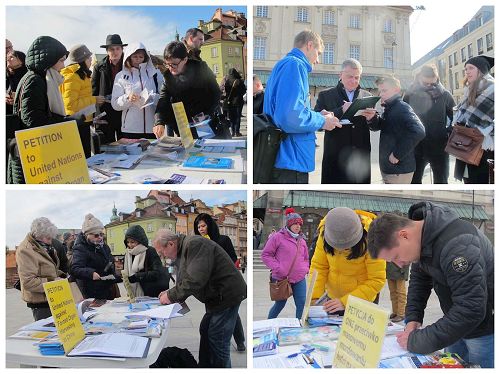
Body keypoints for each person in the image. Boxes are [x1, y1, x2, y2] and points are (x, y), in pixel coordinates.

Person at [367, 202, 494, 368]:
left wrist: (418, 341)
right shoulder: (423, 239)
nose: (399, 265)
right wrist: (413, 316)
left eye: (396, 256)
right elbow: (419, 279)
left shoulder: (458, 246)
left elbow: (472, 308)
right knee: (452, 364)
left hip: (483, 328)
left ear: (404, 235)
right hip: (454, 322)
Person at [154, 229, 246, 368]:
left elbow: (195, 280)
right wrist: (170, 292)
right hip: (216, 296)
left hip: (226, 295)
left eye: (162, 252)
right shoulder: (183, 251)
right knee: (205, 328)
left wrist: (171, 295)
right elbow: (183, 281)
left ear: (171, 244)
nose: (163, 256)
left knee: (218, 338)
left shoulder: (194, 244)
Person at [263, 30, 341, 184]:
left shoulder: (285, 64)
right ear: (309, 45)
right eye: (318, 53)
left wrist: (317, 115)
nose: (317, 60)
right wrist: (322, 120)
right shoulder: (295, 65)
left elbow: (287, 111)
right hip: (291, 160)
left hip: (285, 158)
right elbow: (291, 117)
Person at [7, 36, 69, 184]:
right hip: (29, 158)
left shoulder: (40, 79)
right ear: (49, 60)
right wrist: (66, 123)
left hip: (34, 155)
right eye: (61, 61)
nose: (63, 65)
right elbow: (33, 122)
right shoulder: (36, 81)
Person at [310, 207, 386, 313]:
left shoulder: (372, 240)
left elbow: (377, 279)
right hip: (333, 300)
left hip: (362, 301)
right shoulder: (326, 231)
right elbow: (319, 267)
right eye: (336, 245)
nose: (340, 249)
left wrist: (346, 302)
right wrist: (314, 297)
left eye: (347, 246)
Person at [314, 59, 374, 184]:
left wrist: (372, 118)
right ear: (340, 75)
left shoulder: (367, 95)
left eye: (357, 77)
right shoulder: (325, 95)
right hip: (336, 155)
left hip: (360, 157)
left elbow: (375, 126)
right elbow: (317, 123)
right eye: (349, 77)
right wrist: (341, 110)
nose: (353, 81)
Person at [194, 213, 246, 352]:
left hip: (224, 283)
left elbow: (232, 258)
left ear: (210, 225)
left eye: (203, 225)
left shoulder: (223, 239)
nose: (201, 229)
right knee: (211, 312)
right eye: (198, 227)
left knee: (232, 314)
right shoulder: (198, 243)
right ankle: (214, 340)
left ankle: (240, 341)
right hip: (209, 285)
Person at [364, 76, 425, 184]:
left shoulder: (401, 107)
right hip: (392, 169)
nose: (381, 94)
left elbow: (419, 131)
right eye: (380, 91)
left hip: (399, 170)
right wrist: (372, 118)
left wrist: (397, 154)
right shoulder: (390, 107)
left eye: (384, 90)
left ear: (396, 90)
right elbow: (382, 126)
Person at [153, 41, 220, 138]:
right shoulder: (168, 76)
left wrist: (207, 113)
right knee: (189, 151)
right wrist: (159, 122)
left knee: (208, 148)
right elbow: (163, 99)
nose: (171, 68)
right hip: (184, 125)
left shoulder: (201, 68)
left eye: (174, 64)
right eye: (167, 64)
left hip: (205, 121)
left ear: (185, 59)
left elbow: (216, 93)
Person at [403, 65, 455, 184]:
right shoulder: (410, 94)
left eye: (433, 83)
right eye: (426, 83)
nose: (430, 86)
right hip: (416, 146)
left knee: (441, 181)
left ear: (437, 78)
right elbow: (402, 116)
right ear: (420, 77)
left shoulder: (445, 94)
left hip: (439, 146)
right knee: (414, 181)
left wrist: (448, 133)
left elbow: (456, 117)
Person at [452, 56, 494, 184]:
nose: (467, 72)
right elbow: (461, 113)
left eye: (471, 68)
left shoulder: (494, 89)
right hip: (465, 144)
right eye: (466, 69)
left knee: (481, 179)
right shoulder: (469, 89)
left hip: (485, 147)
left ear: (481, 70)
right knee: (468, 179)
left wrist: (485, 130)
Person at [261, 208, 309, 319]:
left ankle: (299, 328)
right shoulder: (277, 237)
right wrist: (277, 268)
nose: (298, 226)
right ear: (289, 224)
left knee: (301, 304)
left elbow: (306, 258)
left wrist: (305, 268)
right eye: (295, 223)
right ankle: (269, 324)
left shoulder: (302, 241)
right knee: (279, 305)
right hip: (281, 278)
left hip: (299, 278)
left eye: (299, 224)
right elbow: (266, 255)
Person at [16, 217, 67, 320]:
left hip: (53, 297)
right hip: (40, 302)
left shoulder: (44, 247)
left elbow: (49, 269)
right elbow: (29, 282)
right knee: (49, 334)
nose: (50, 241)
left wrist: (63, 276)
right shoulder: (25, 250)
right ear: (38, 236)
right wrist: (54, 282)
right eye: (48, 238)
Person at [60, 44, 105, 157]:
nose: (90, 59)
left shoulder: (82, 76)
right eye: (88, 57)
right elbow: (70, 105)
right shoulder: (72, 77)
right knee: (81, 157)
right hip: (76, 124)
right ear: (82, 60)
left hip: (82, 122)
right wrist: (93, 100)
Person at [111, 42, 163, 139]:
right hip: (130, 129)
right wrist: (128, 98)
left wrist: (151, 97)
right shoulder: (121, 76)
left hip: (152, 128)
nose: (138, 60)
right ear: (129, 57)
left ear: (146, 57)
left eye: (141, 57)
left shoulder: (155, 74)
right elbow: (115, 104)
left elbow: (164, 97)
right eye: (135, 57)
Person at [70, 214, 118, 300]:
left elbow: (109, 262)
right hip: (91, 292)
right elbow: (75, 269)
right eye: (96, 235)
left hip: (107, 288)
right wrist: (91, 273)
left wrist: (114, 273)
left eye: (101, 234)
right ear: (87, 235)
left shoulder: (104, 246)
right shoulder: (80, 248)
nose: (100, 237)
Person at [92, 34, 128, 143]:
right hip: (105, 113)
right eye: (111, 49)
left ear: (122, 50)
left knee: (126, 147)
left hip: (124, 111)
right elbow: (94, 91)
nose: (115, 52)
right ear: (107, 51)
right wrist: (95, 116)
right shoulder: (99, 67)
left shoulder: (128, 65)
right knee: (108, 148)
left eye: (118, 48)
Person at [123, 225, 169, 298]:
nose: (130, 245)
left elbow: (157, 273)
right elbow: (125, 274)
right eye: (127, 242)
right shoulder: (127, 254)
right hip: (133, 293)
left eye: (132, 242)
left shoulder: (150, 251)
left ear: (140, 240)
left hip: (151, 293)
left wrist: (137, 276)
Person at [223, 68, 246, 137]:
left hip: (230, 102)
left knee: (231, 117)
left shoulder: (227, 81)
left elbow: (226, 92)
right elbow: (244, 91)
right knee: (238, 117)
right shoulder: (239, 81)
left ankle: (232, 132)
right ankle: (237, 132)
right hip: (238, 101)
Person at [6, 50, 27, 115]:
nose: (8, 60)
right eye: (7, 58)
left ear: (21, 61)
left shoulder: (27, 76)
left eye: (11, 57)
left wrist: (18, 99)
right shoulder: (6, 75)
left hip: (22, 113)